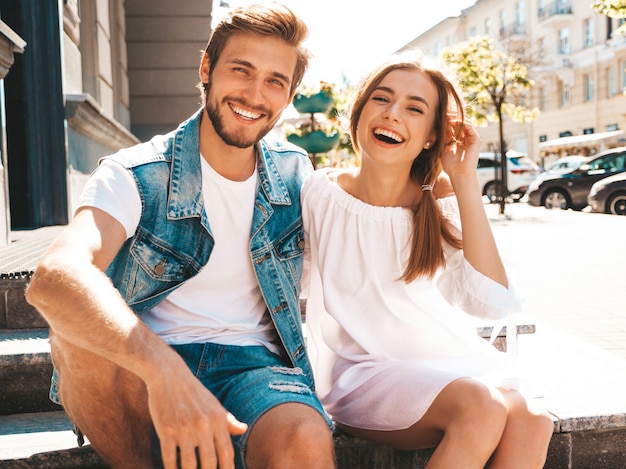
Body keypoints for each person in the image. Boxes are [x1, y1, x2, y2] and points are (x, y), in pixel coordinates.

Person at [25, 4, 335, 469]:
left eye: (275, 80)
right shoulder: (136, 175)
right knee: (75, 333)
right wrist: (163, 367)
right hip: (140, 369)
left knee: (304, 437)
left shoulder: (295, 173)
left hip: (255, 370)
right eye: (241, 70)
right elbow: (54, 276)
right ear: (206, 68)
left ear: (289, 95)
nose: (255, 93)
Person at [301, 52, 554, 468]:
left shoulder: (435, 200)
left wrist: (463, 179)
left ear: (432, 136)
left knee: (532, 417)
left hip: (446, 363)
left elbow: (489, 302)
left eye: (414, 108)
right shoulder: (318, 193)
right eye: (381, 99)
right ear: (360, 110)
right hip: (364, 374)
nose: (393, 114)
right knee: (482, 408)